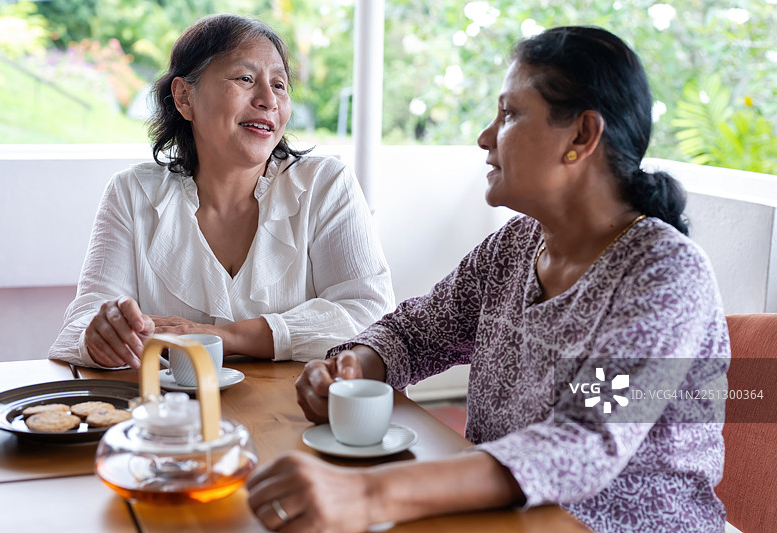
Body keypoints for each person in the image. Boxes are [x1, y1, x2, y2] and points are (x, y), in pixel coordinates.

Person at [246, 26, 729, 533]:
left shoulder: (666, 275)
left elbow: (584, 437)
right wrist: (352, 368)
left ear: (582, 136)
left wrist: (367, 495)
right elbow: (415, 332)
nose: (485, 136)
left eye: (510, 114)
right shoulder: (516, 245)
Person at [48, 14, 394, 369]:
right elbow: (79, 326)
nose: (268, 100)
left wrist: (218, 338)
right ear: (184, 97)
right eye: (245, 78)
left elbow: (371, 317)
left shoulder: (325, 184)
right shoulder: (131, 193)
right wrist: (102, 336)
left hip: (298, 416)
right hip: (172, 419)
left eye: (279, 84)